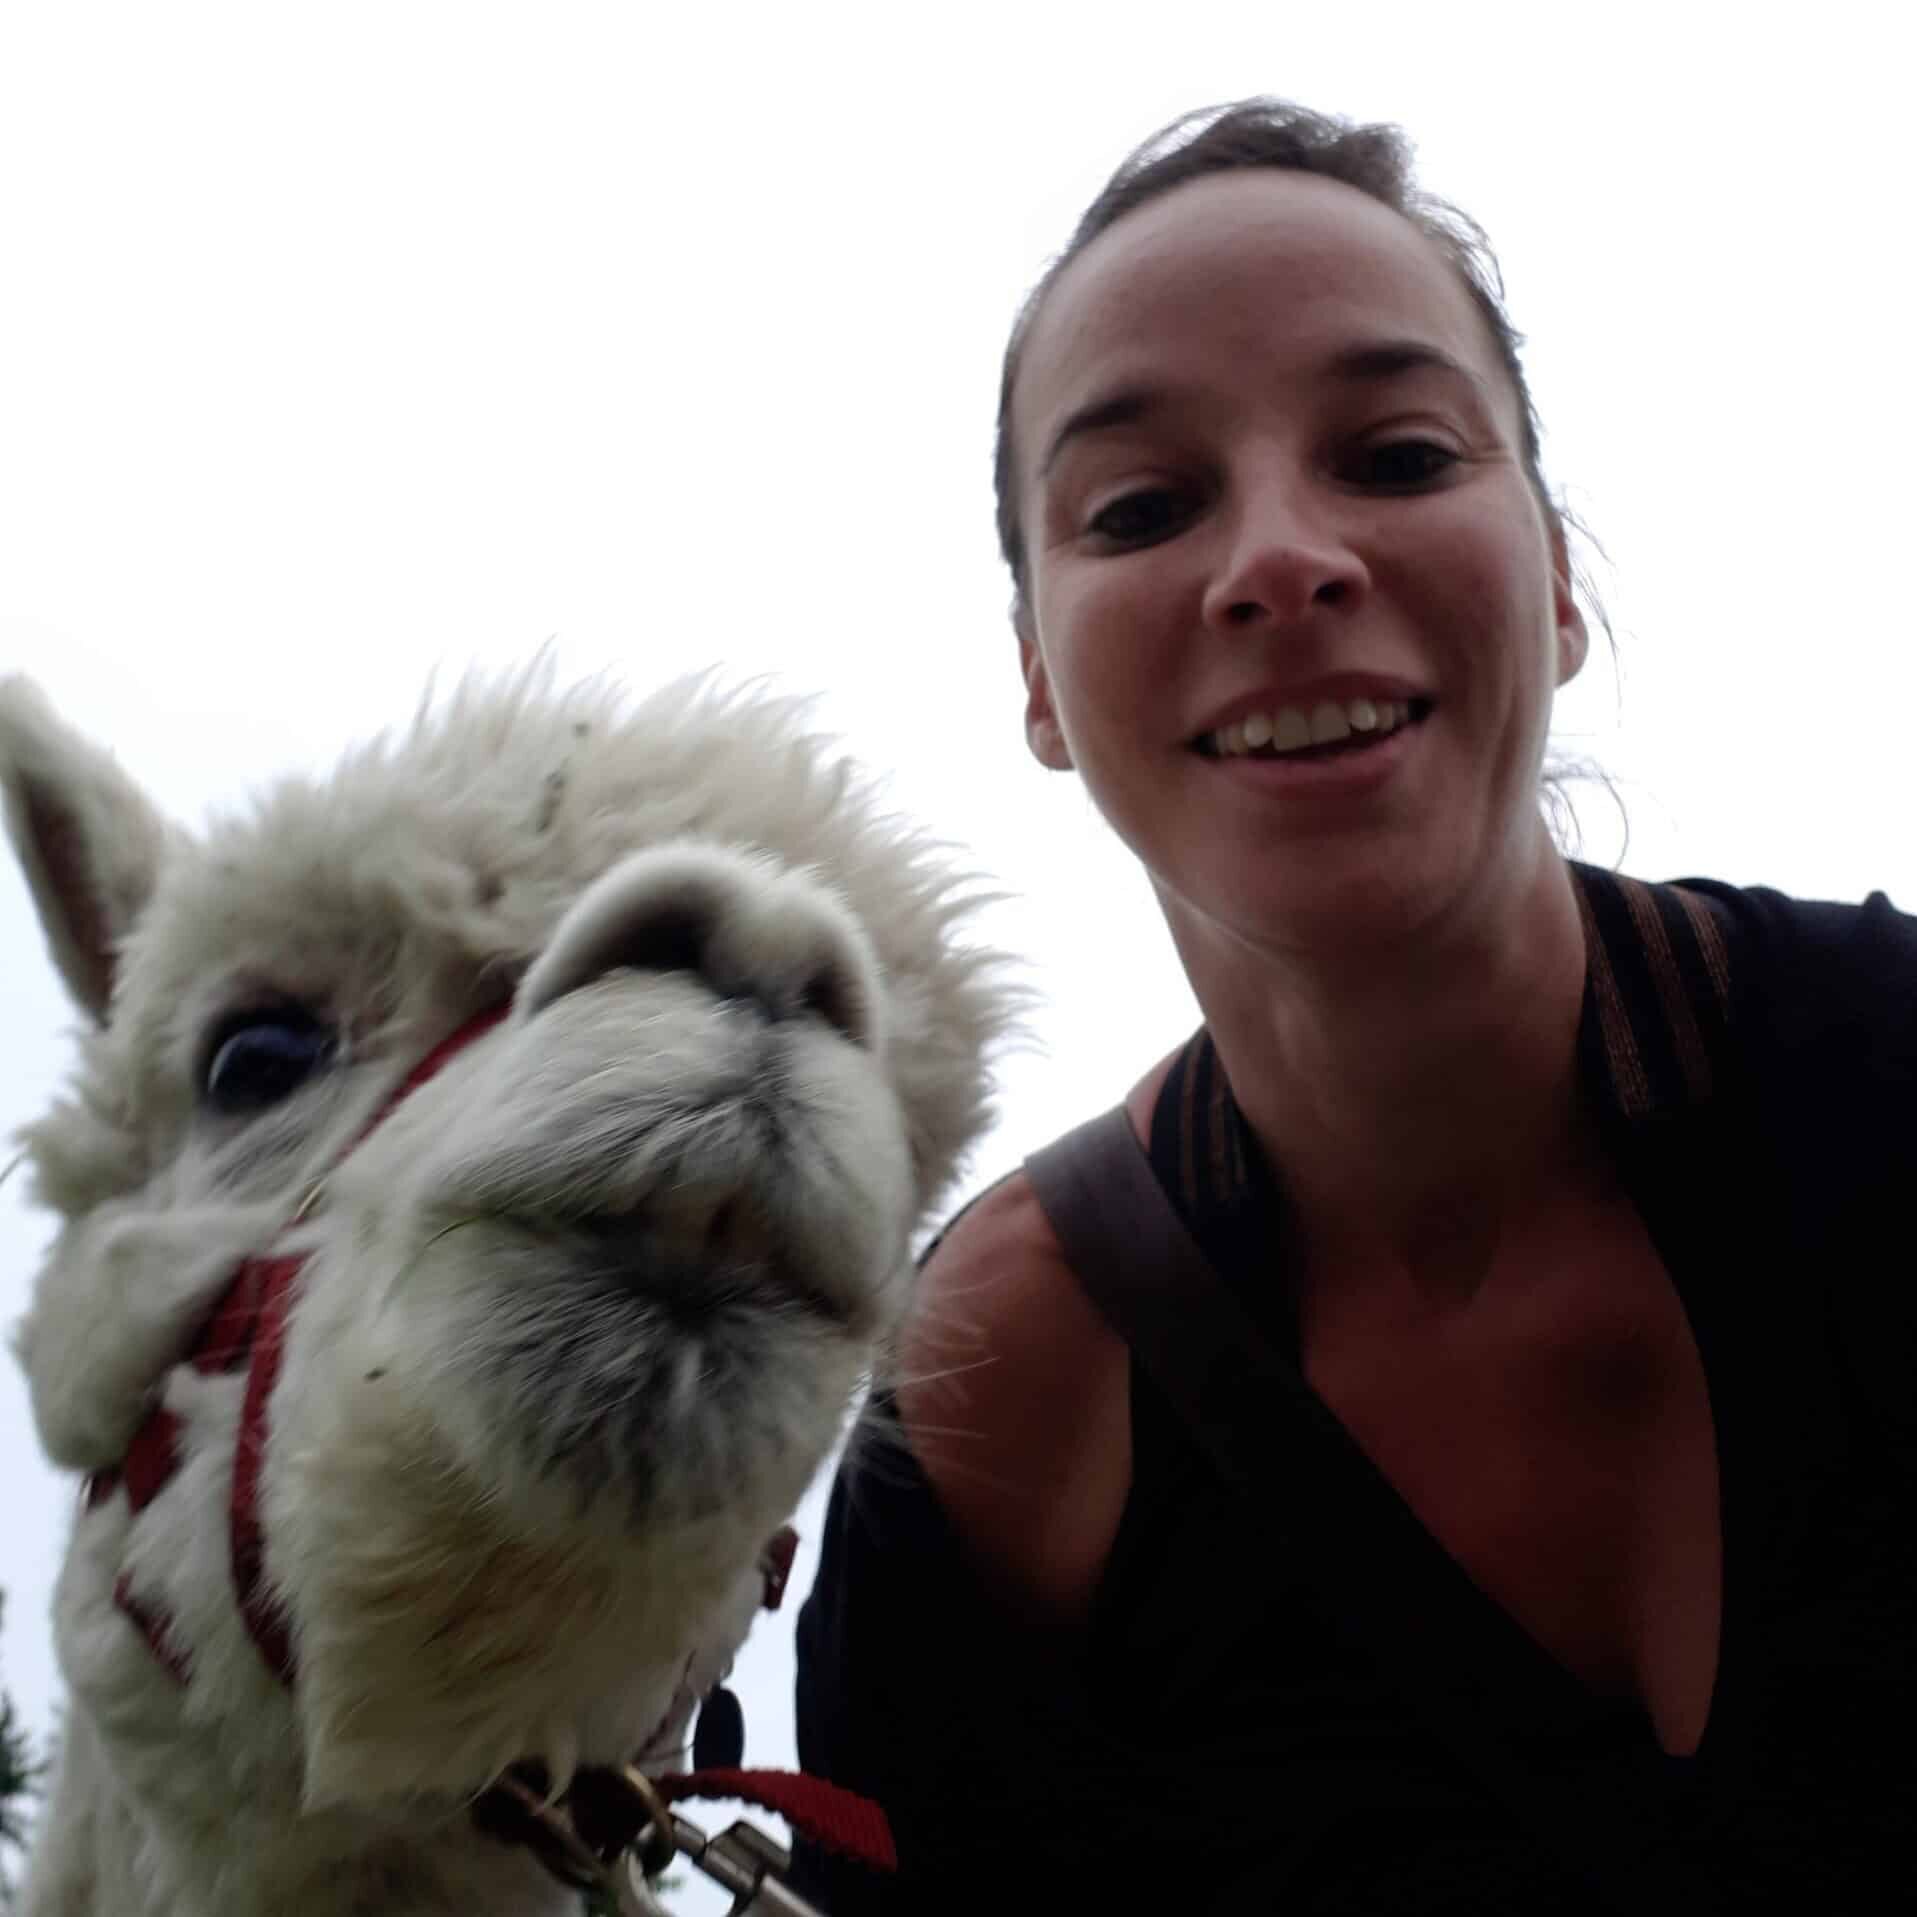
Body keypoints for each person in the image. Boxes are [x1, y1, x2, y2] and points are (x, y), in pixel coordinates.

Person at [788, 99, 1917, 1914]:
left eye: (1393, 455)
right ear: (1040, 689)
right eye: (1144, 506)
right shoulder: (1003, 1404)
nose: (1280, 561)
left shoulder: (1888, 1078)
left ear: (1554, 583)